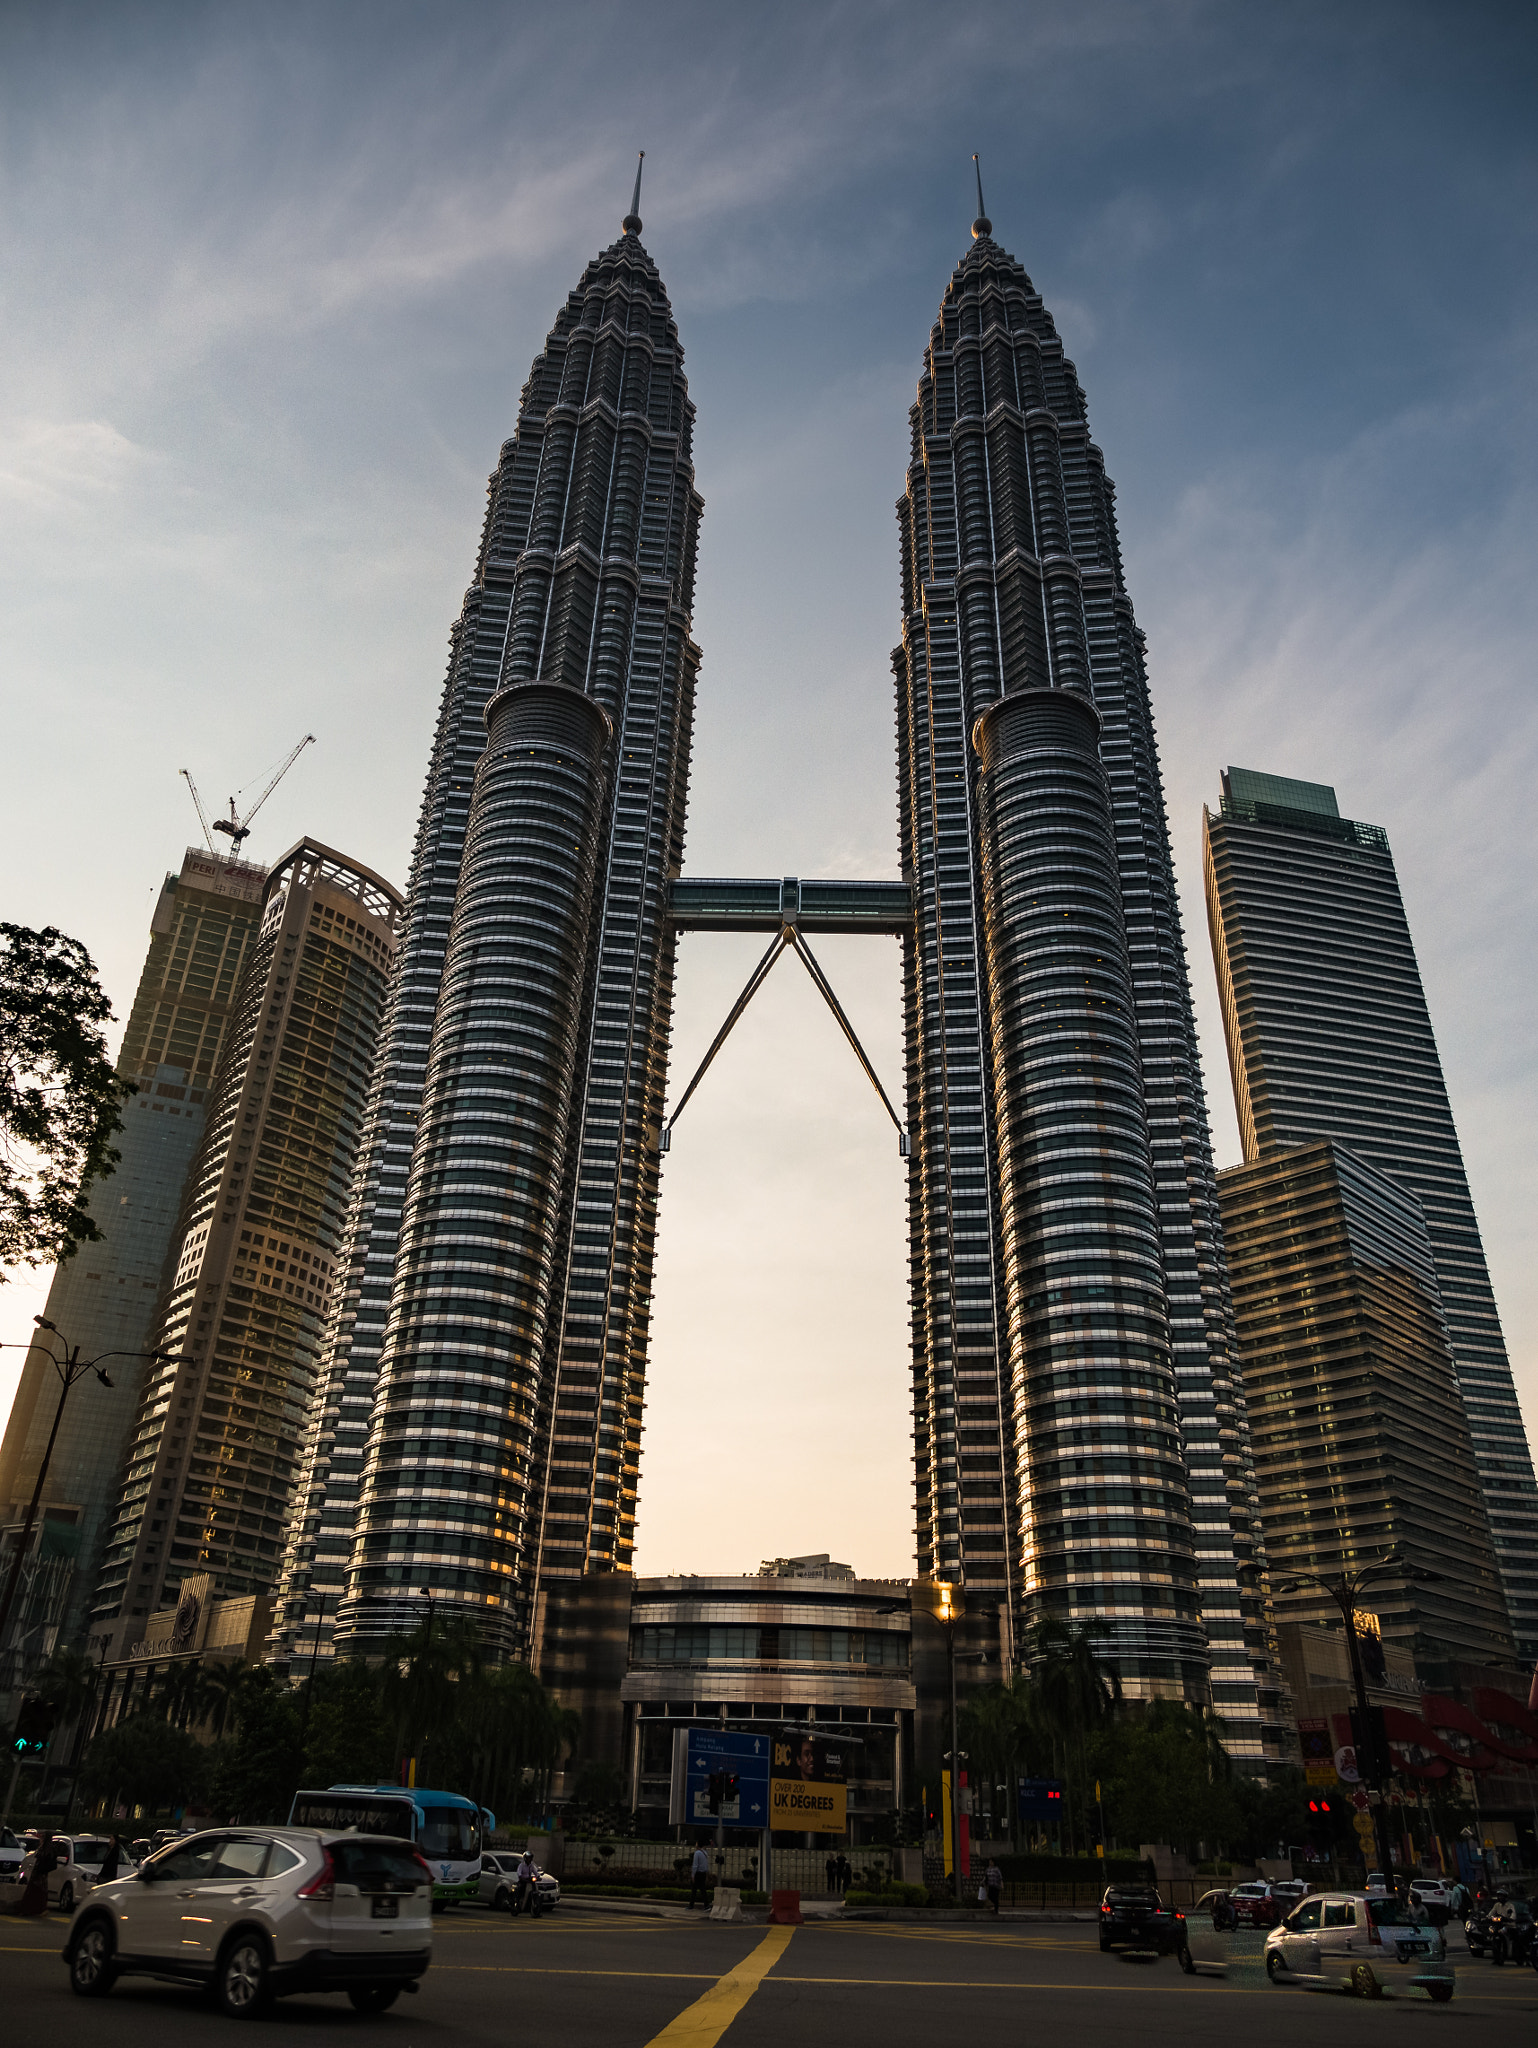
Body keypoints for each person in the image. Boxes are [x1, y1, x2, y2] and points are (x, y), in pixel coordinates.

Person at [689, 1841, 711, 1909]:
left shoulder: (697, 1853)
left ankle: (691, 1906)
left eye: (696, 1843)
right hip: (703, 1873)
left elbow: (695, 1865)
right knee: (703, 1890)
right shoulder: (705, 1853)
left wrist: (693, 1875)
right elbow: (706, 1865)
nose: (695, 1845)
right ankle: (706, 1905)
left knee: (694, 1890)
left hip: (698, 1874)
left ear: (698, 1845)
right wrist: (707, 1874)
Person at [513, 1851, 534, 1916]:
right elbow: (519, 1873)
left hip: (529, 1881)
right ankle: (517, 1904)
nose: (529, 1859)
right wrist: (521, 1877)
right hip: (523, 1881)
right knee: (520, 1891)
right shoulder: (521, 1865)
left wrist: (538, 1876)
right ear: (525, 1858)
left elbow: (535, 1872)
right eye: (528, 1858)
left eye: (530, 1858)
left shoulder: (531, 1866)